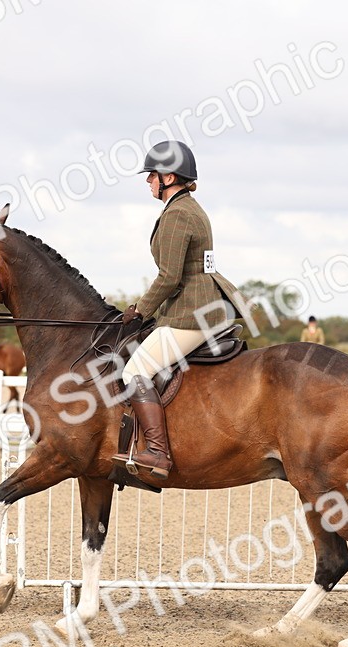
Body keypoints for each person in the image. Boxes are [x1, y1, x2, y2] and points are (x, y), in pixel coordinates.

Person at [111, 141, 247, 480]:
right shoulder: (190, 208)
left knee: (134, 371)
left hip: (191, 313)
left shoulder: (178, 214)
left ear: (168, 176)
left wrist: (140, 310)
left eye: (151, 176)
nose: (148, 182)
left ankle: (157, 451)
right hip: (201, 304)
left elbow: (170, 277)